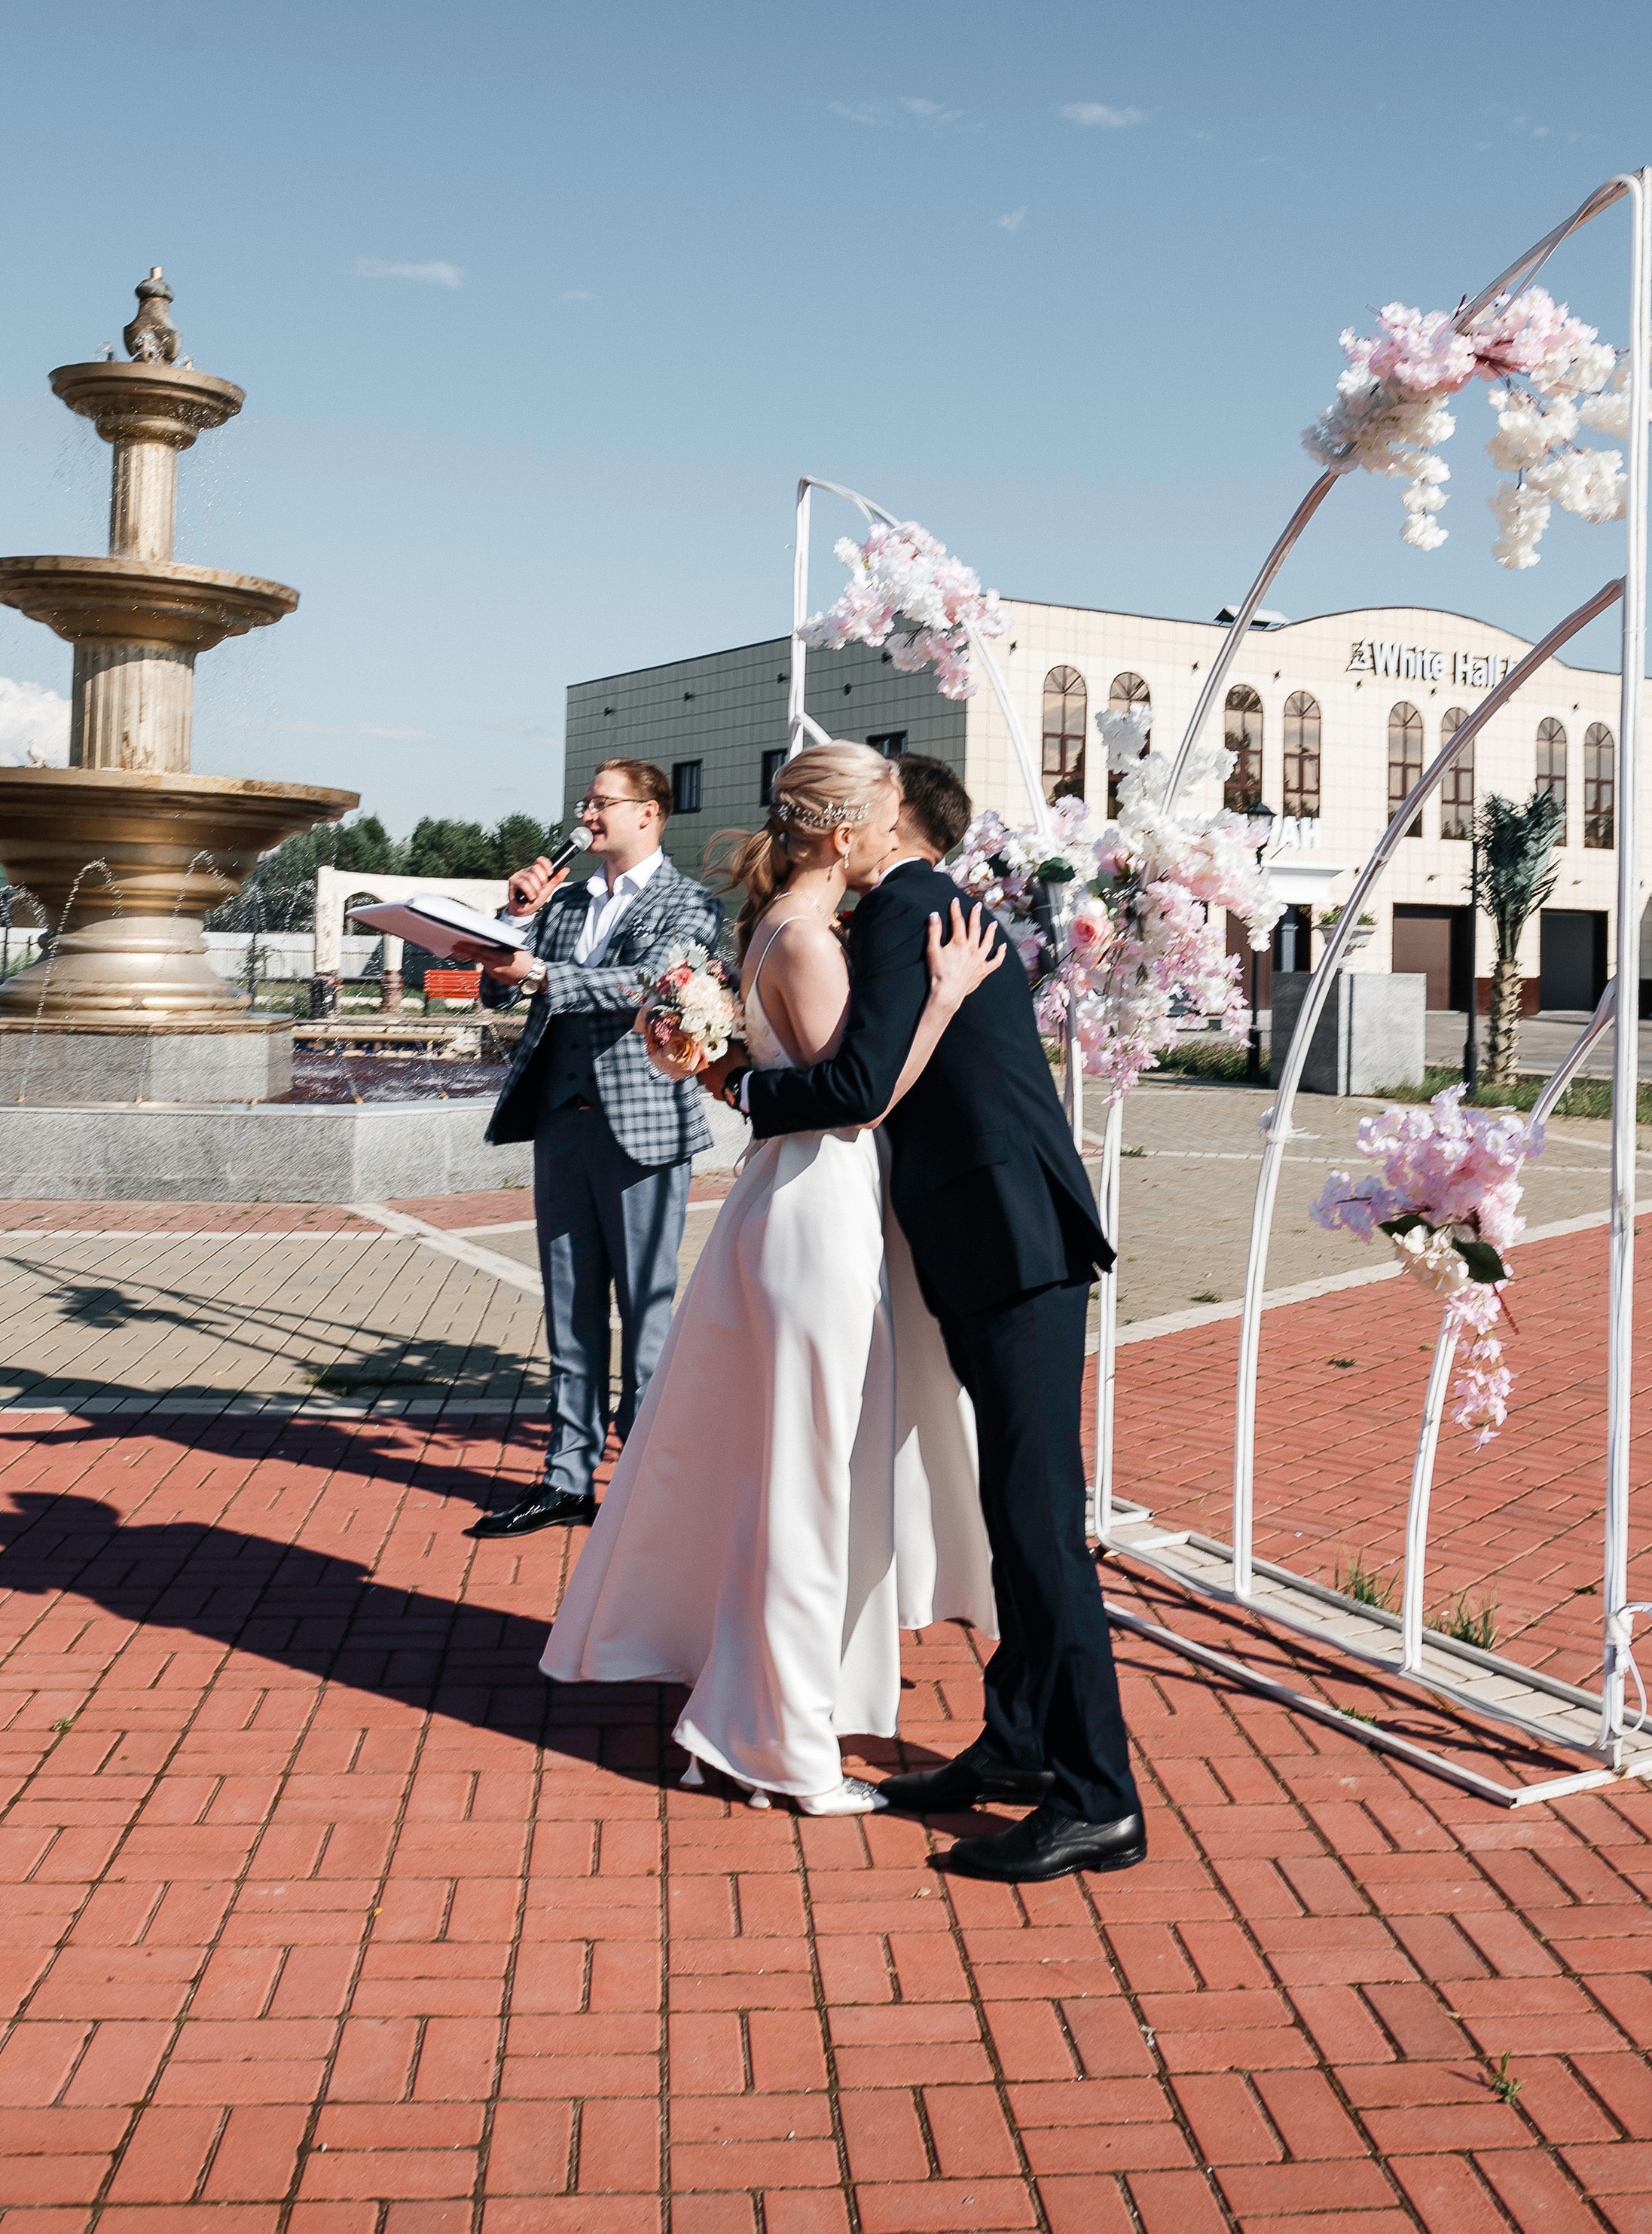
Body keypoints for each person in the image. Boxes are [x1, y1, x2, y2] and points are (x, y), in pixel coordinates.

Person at [692, 750, 1147, 1884]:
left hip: (1010, 1245)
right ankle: (1022, 1746)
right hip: (990, 1239)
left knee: (1040, 1530)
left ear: (872, 822)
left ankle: (1101, 1800)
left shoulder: (906, 911)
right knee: (1010, 1517)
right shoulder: (919, 906)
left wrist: (733, 1081)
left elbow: (856, 1090)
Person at [543, 743, 1003, 1813]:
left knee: (785, 1479)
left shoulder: (776, 930)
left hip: (787, 1200)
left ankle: (738, 1718)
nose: (894, 838)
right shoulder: (804, 940)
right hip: (818, 1211)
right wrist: (943, 998)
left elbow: (781, 1078)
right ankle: (782, 1751)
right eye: (884, 820)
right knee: (806, 1487)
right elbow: (862, 1095)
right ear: (844, 835)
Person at [461, 758, 725, 1539]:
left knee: (644, 1314)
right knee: (570, 1310)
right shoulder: (566, 899)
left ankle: (649, 1481)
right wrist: (510, 921)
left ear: (649, 813)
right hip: (563, 1120)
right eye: (585, 802)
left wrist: (540, 969)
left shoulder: (690, 901)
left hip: (643, 1127)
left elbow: (651, 980)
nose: (587, 815)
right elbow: (499, 989)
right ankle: (565, 1476)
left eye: (601, 803)